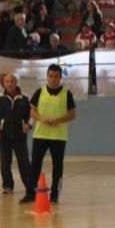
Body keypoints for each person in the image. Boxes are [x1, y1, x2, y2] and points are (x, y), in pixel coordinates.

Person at [20, 64, 77, 205]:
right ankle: (30, 193)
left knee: (57, 166)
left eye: (56, 76)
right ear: (47, 76)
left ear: (60, 77)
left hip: (58, 136)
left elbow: (72, 115)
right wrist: (42, 119)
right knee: (35, 165)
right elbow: (32, 111)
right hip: (40, 135)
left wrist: (58, 120)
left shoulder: (66, 94)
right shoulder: (40, 92)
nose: (53, 79)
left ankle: (55, 195)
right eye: (51, 76)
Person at [0, 73, 32, 196]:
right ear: (4, 83)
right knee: (5, 162)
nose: (10, 84)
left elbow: (33, 113)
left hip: (20, 136)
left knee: (24, 162)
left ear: (16, 82)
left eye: (12, 81)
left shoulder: (25, 98)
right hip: (4, 136)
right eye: (7, 81)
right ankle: (8, 186)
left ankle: (30, 186)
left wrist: (29, 125)